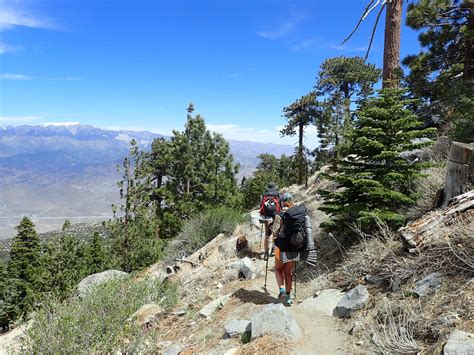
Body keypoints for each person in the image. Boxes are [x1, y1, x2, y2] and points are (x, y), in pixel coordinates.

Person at [271, 192, 304, 306]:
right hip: (295, 246)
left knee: (277, 269)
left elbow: (274, 232)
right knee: (288, 272)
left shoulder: (280, 214)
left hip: (282, 247)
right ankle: (289, 298)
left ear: (282, 202)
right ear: (292, 201)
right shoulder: (297, 213)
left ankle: (282, 290)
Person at [259, 182, 281, 258]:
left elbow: (261, 206)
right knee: (275, 233)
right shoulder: (277, 194)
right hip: (275, 216)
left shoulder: (264, 195)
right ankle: (273, 249)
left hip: (266, 217)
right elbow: (280, 206)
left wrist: (262, 215)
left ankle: (266, 253)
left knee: (267, 234)